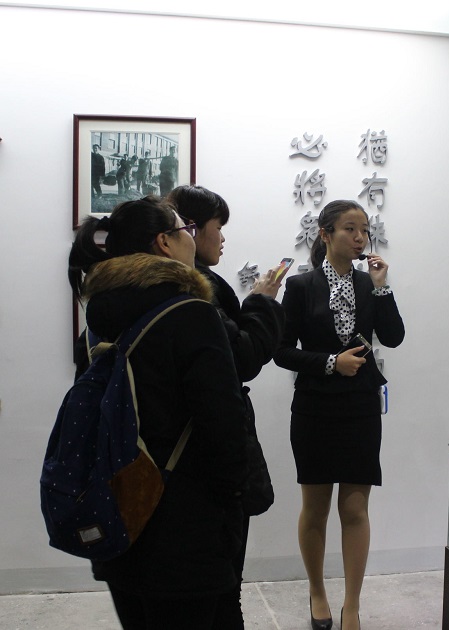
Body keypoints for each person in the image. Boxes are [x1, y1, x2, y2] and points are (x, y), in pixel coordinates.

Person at [68, 196, 249, 629]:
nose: (193, 237)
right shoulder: (192, 314)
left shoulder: (97, 320)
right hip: (187, 530)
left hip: (120, 516)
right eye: (186, 229)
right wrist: (233, 504)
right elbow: (224, 427)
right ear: (164, 243)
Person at [273, 200, 405, 630]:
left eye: (364, 230)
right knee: (315, 508)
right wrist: (331, 362)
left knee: (355, 508)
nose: (360, 237)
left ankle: (352, 605)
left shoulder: (370, 284)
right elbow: (281, 351)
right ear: (326, 234)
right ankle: (317, 591)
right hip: (314, 407)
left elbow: (393, 337)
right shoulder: (301, 286)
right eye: (350, 228)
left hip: (361, 407)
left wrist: (383, 287)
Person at [166, 184, 286, 628]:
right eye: (218, 227)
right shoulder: (196, 290)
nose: (222, 238)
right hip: (208, 459)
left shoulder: (136, 291)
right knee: (220, 589)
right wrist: (261, 302)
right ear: (188, 231)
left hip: (176, 459)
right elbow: (243, 358)